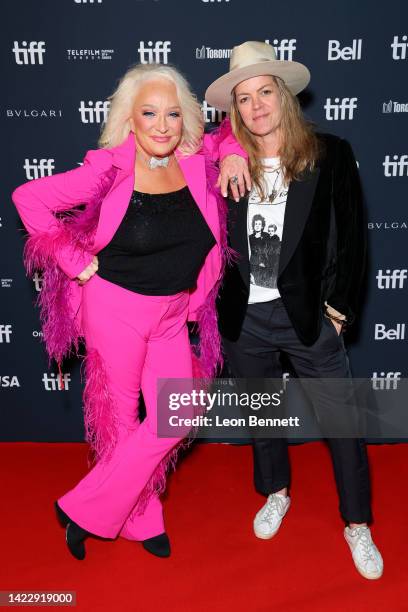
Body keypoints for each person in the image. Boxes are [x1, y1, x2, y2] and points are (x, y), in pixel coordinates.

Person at [12, 63, 248, 560]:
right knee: (119, 424)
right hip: (113, 308)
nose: (162, 125)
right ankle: (142, 519)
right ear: (130, 120)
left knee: (175, 415)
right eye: (149, 113)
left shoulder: (196, 162)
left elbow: (230, 135)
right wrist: (74, 262)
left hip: (171, 314)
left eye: (172, 114)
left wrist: (230, 153)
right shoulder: (108, 168)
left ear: (185, 119)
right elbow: (26, 197)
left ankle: (82, 507)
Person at [206, 41, 383, 579]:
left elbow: (352, 239)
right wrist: (225, 147)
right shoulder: (223, 162)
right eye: (244, 98)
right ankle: (276, 491)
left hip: (308, 317)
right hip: (245, 320)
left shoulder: (329, 153)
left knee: (344, 424)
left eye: (265, 92)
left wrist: (340, 309)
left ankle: (357, 524)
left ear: (284, 96)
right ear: (234, 110)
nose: (256, 106)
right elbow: (169, 143)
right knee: (263, 418)